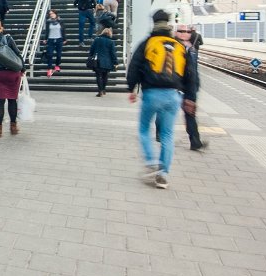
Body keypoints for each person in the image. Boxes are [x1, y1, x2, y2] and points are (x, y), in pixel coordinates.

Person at [126, 10, 197, 190]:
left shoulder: (148, 43)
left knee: (143, 129)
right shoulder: (180, 47)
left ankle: (151, 161)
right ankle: (163, 174)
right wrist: (190, 98)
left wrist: (132, 88)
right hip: (174, 95)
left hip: (152, 94)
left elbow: (134, 67)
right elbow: (191, 75)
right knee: (167, 135)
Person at [174, 25, 206, 150]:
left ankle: (195, 141)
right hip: (175, 86)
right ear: (175, 33)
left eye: (187, 31)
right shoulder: (172, 46)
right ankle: (160, 133)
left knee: (190, 113)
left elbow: (193, 72)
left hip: (188, 87)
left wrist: (194, 89)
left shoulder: (192, 50)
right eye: (181, 31)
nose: (184, 33)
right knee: (165, 111)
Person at [88, 27, 117, 97]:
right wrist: (115, 62)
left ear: (102, 32)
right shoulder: (111, 42)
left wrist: (90, 56)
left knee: (98, 76)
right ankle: (103, 89)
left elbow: (91, 50)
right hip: (107, 62)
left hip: (97, 61)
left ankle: (100, 90)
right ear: (110, 34)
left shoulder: (97, 40)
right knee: (105, 75)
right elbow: (113, 53)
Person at [43, 10, 66, 77]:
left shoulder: (60, 21)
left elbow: (63, 30)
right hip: (51, 40)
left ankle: (57, 65)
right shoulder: (48, 21)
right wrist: (45, 39)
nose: (51, 15)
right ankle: (49, 69)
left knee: (59, 55)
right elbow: (47, 31)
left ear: (56, 14)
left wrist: (64, 39)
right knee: (50, 54)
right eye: (50, 14)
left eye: (52, 13)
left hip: (59, 39)